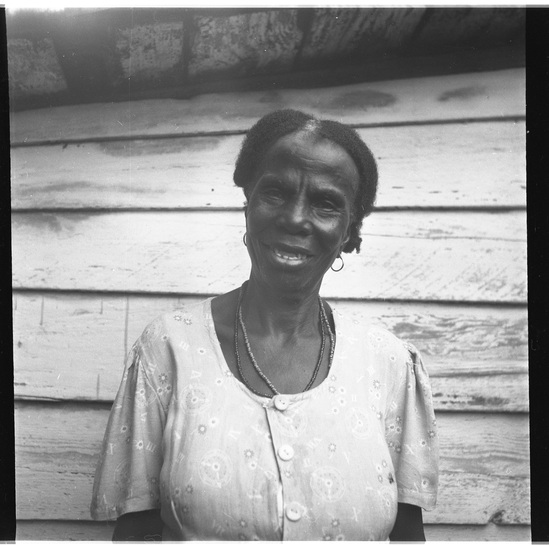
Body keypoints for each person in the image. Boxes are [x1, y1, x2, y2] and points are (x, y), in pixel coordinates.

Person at [90, 109, 439, 541]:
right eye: (275, 193)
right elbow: (135, 533)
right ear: (248, 206)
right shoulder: (168, 349)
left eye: (326, 203)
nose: (295, 218)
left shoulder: (388, 365)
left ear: (350, 232)